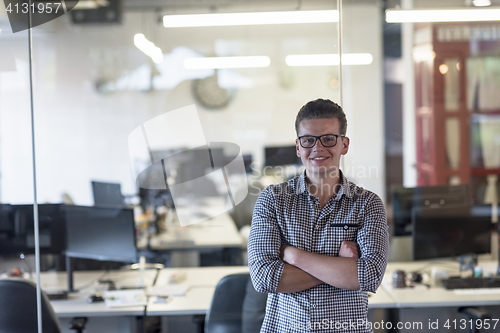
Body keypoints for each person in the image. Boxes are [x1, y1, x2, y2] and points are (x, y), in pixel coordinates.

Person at [248, 99, 389, 332]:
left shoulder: (367, 204)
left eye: (329, 139)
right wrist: (342, 266)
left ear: (344, 144)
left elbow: (369, 277)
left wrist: (293, 256)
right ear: (298, 147)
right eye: (308, 140)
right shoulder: (273, 200)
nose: (318, 148)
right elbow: (264, 278)